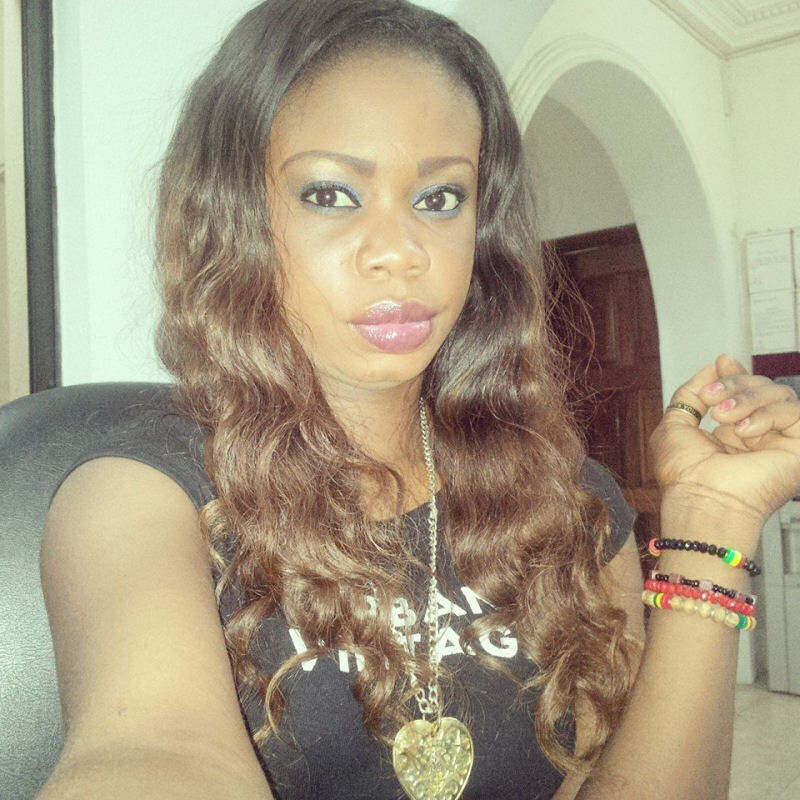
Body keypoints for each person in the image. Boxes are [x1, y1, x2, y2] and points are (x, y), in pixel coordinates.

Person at [36, 1, 800, 798]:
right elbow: (152, 752)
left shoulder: (568, 504)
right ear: (232, 216)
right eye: (330, 193)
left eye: (439, 199)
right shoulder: (136, 498)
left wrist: (713, 521)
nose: (402, 253)